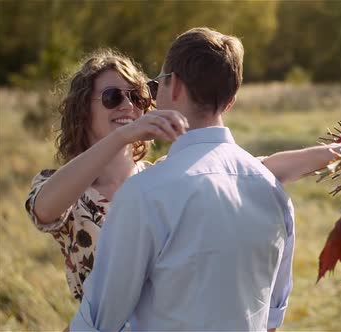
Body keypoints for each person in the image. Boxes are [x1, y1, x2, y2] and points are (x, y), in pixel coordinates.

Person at [25, 48, 339, 303]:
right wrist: (122, 137)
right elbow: (44, 210)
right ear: (83, 109)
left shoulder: (161, 176)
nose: (129, 106)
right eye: (112, 97)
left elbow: (258, 169)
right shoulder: (64, 186)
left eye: (137, 96)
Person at [68, 26, 294, 330]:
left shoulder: (145, 193)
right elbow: (271, 318)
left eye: (157, 82)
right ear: (230, 101)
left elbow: (101, 319)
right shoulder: (273, 192)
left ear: (174, 86)